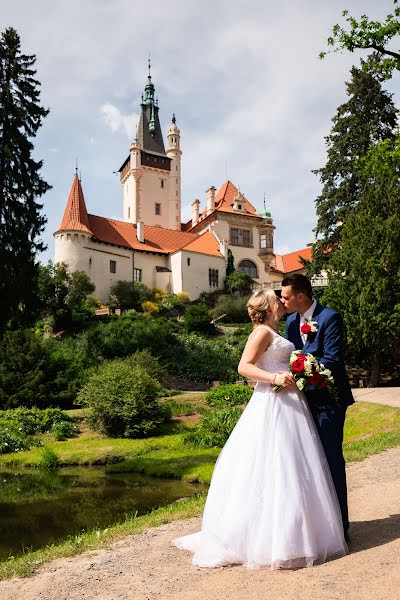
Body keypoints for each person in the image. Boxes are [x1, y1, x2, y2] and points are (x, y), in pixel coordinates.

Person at [172, 288, 348, 569]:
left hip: (290, 402)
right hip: (272, 401)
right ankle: (270, 539)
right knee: (274, 462)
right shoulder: (261, 332)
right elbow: (244, 366)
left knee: (292, 464)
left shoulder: (279, 329)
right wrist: (274, 377)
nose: (281, 301)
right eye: (276, 298)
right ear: (267, 306)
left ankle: (295, 535)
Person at [281, 274, 354, 541]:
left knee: (331, 460)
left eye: (286, 296)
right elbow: (288, 356)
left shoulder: (329, 317)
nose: (283, 300)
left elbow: (332, 360)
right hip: (300, 404)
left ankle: (341, 527)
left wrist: (301, 369)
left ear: (301, 296)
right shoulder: (290, 322)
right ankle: (317, 529)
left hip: (328, 400)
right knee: (305, 464)